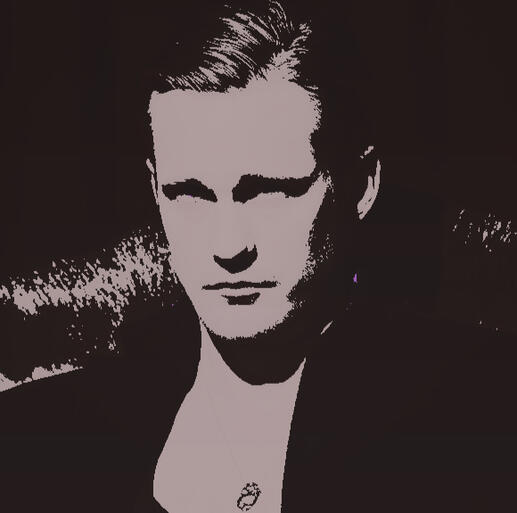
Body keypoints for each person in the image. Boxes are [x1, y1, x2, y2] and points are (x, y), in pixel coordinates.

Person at [2, 2, 517, 512]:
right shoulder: (39, 441)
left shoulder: (483, 416)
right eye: (189, 194)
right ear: (154, 189)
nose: (229, 247)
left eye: (269, 191)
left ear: (361, 185)